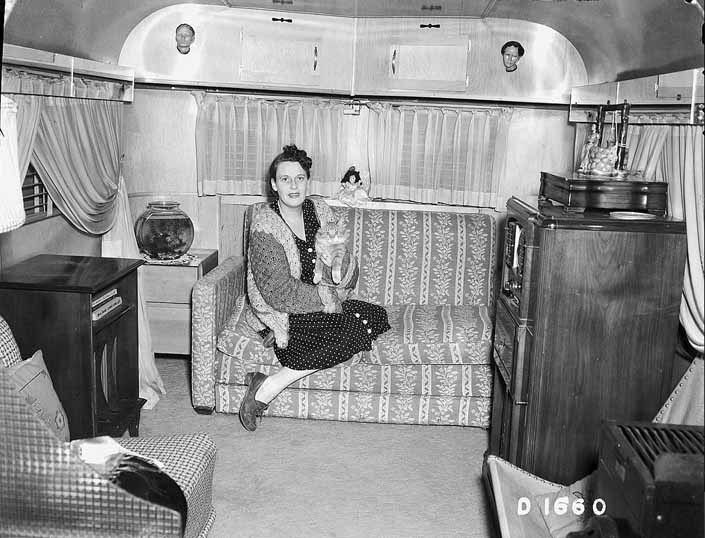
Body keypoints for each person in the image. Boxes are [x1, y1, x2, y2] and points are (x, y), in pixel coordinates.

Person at [240, 145, 390, 431]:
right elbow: (278, 291)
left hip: (322, 303)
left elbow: (343, 262)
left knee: (377, 317)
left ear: (307, 180)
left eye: (299, 178)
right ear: (274, 184)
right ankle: (266, 390)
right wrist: (327, 297)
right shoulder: (265, 225)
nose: (293, 185)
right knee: (352, 331)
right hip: (284, 311)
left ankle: (264, 382)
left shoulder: (320, 210)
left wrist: (342, 266)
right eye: (285, 179)